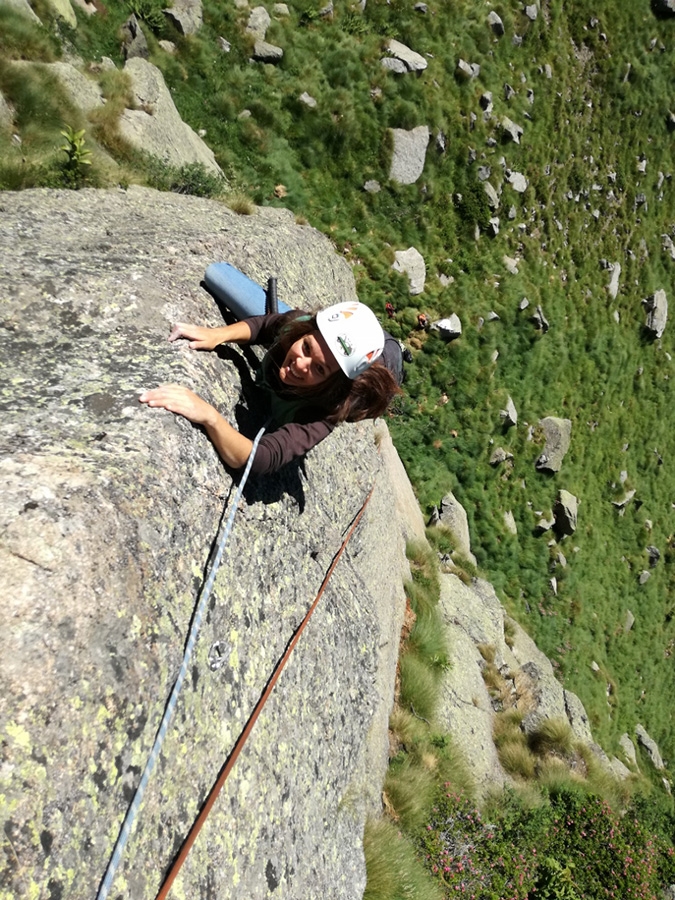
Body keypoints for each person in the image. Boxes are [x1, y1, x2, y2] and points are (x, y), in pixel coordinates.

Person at [139, 302, 400, 476]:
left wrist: (210, 417)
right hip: (350, 344)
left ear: (332, 382)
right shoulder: (299, 324)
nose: (300, 364)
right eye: (307, 347)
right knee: (217, 275)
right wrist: (218, 334)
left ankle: (399, 350)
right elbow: (263, 325)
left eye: (319, 369)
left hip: (387, 361)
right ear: (305, 332)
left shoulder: (324, 414)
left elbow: (260, 458)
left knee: (386, 374)